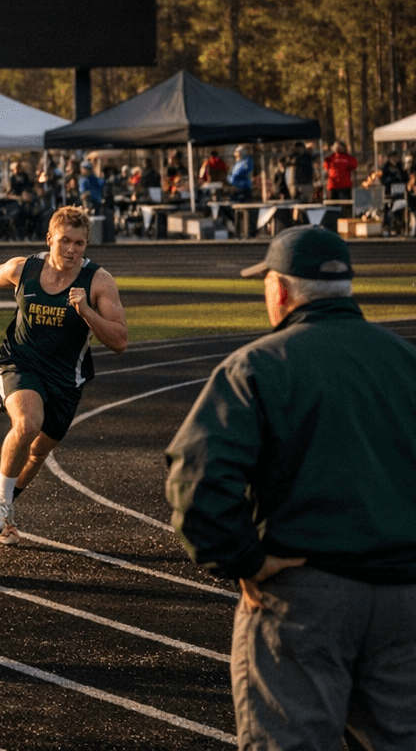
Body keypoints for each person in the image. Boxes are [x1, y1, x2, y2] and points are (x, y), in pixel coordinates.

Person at [165, 227, 416, 750]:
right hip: (405, 597)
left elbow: (197, 476)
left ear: (279, 289)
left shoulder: (255, 367)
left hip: (304, 597)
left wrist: (243, 560)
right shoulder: (405, 361)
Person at [0, 206, 129, 545]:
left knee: (39, 451)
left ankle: (6, 505)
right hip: (20, 363)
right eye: (65, 241)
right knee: (27, 424)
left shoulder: (98, 281)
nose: (71, 250)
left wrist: (86, 312)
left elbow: (119, 341)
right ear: (50, 239)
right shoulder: (23, 268)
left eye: (80, 244)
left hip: (66, 378)